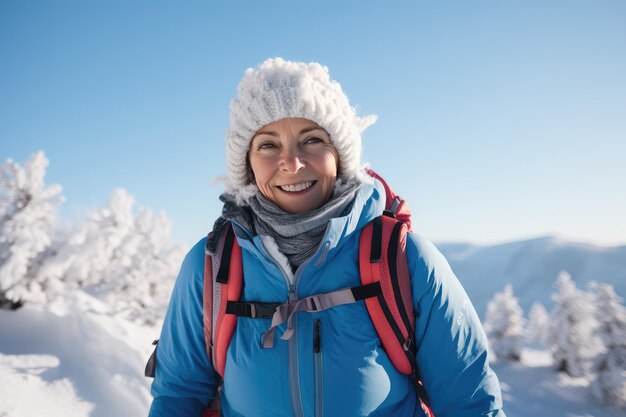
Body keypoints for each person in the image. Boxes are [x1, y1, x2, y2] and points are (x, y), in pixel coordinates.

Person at [147, 57, 506, 417]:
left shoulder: (403, 258)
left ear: (340, 155)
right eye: (269, 146)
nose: (292, 162)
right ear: (248, 164)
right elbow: (177, 396)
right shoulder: (211, 265)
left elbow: (470, 402)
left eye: (312, 140)